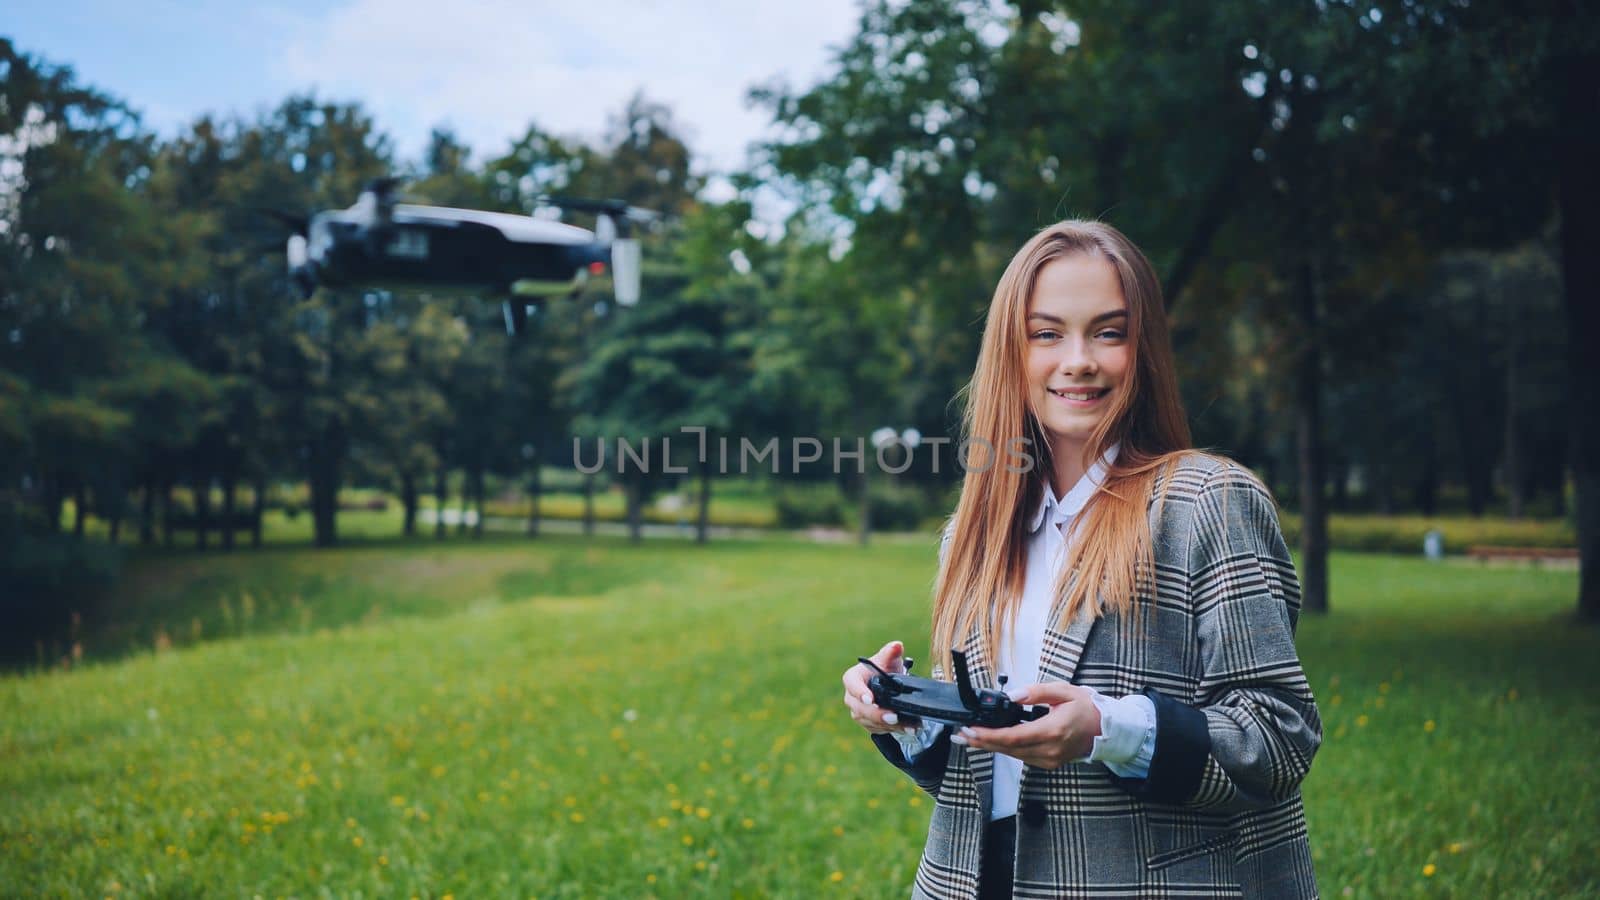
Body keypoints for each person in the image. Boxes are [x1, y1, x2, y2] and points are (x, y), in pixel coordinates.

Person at [841, 220, 1320, 899]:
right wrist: (911, 716)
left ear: (1143, 348)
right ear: (1012, 350)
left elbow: (1279, 738)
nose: (1078, 360)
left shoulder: (1206, 502)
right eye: (1047, 334)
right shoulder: (971, 536)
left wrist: (1107, 729)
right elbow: (985, 775)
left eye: (1108, 331)